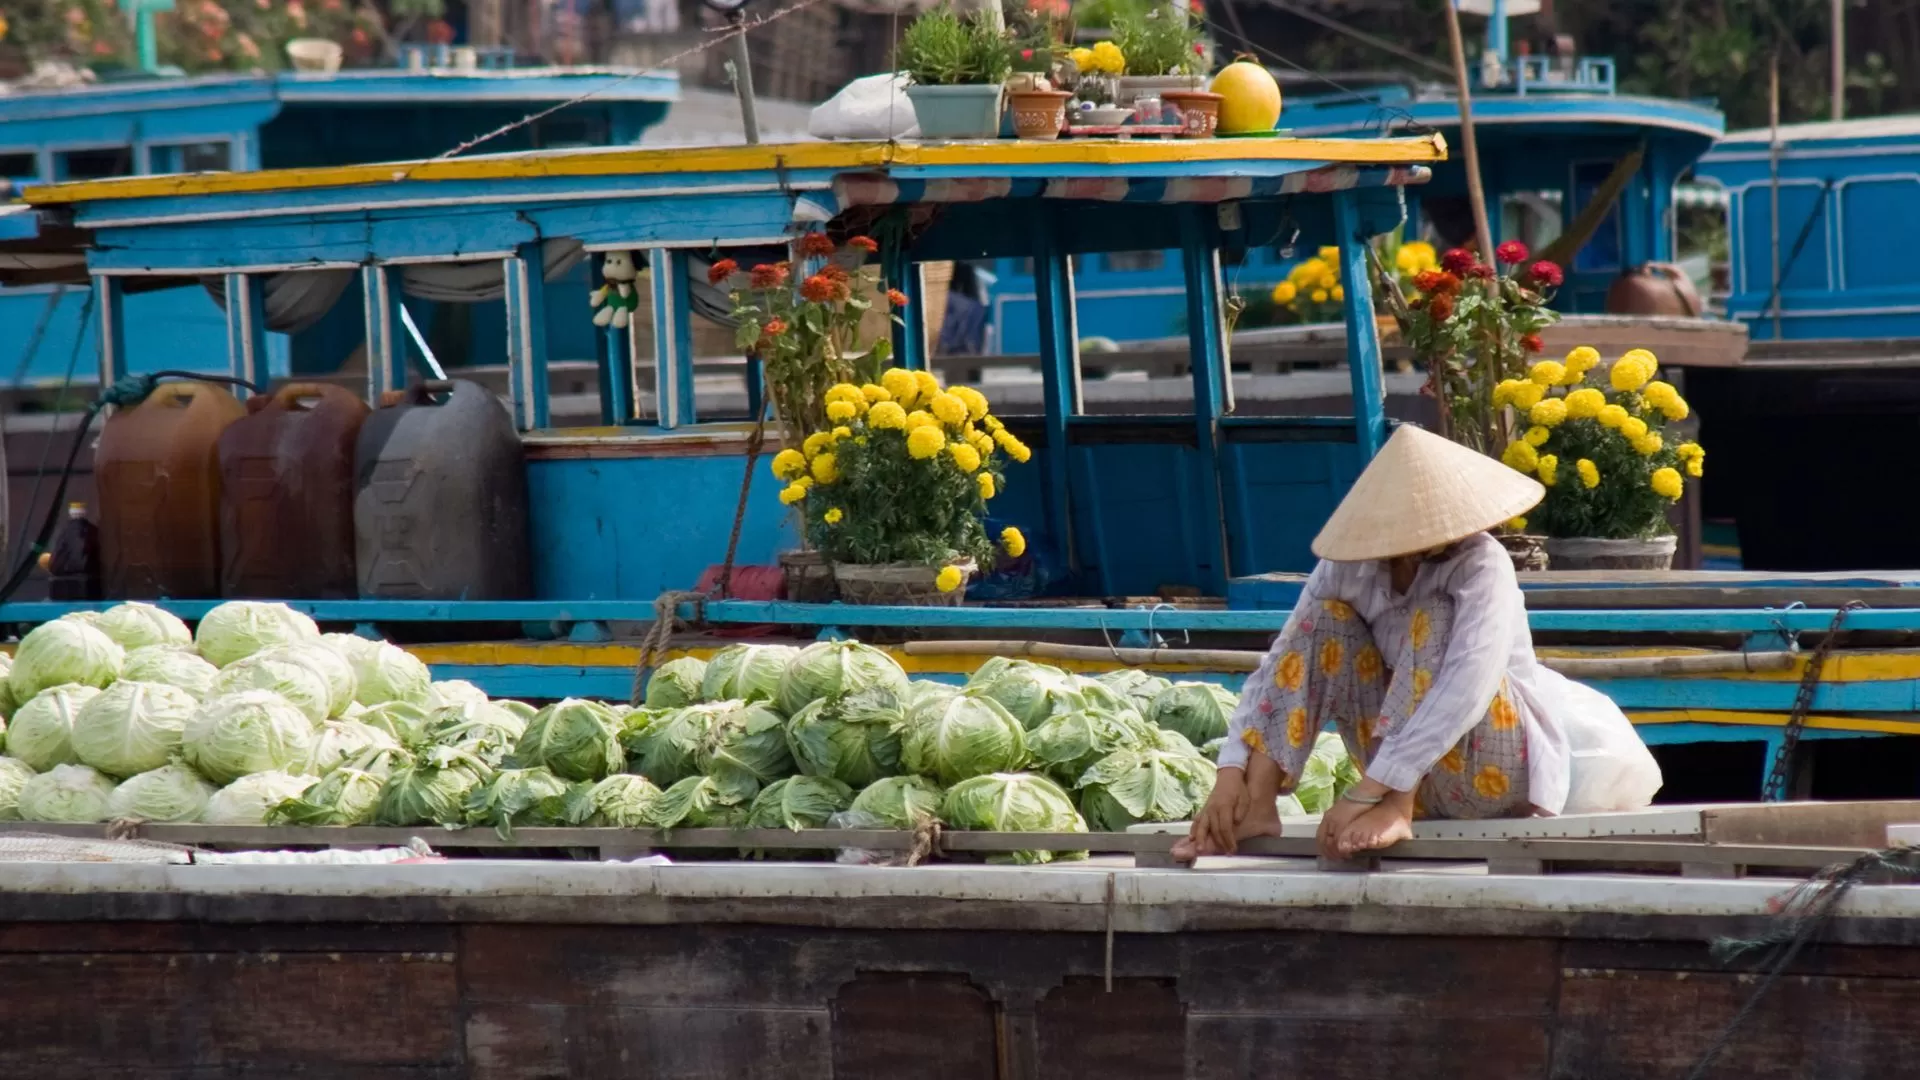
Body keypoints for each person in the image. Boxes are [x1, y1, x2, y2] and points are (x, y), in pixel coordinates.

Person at [1176, 424, 1659, 863]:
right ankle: (1259, 806)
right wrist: (1230, 772)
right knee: (1325, 620)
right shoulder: (1350, 564)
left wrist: (1373, 790)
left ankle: (1399, 807)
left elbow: (1468, 685)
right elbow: (1280, 661)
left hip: (1487, 771)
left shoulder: (1480, 563)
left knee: (1432, 616)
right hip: (1388, 769)